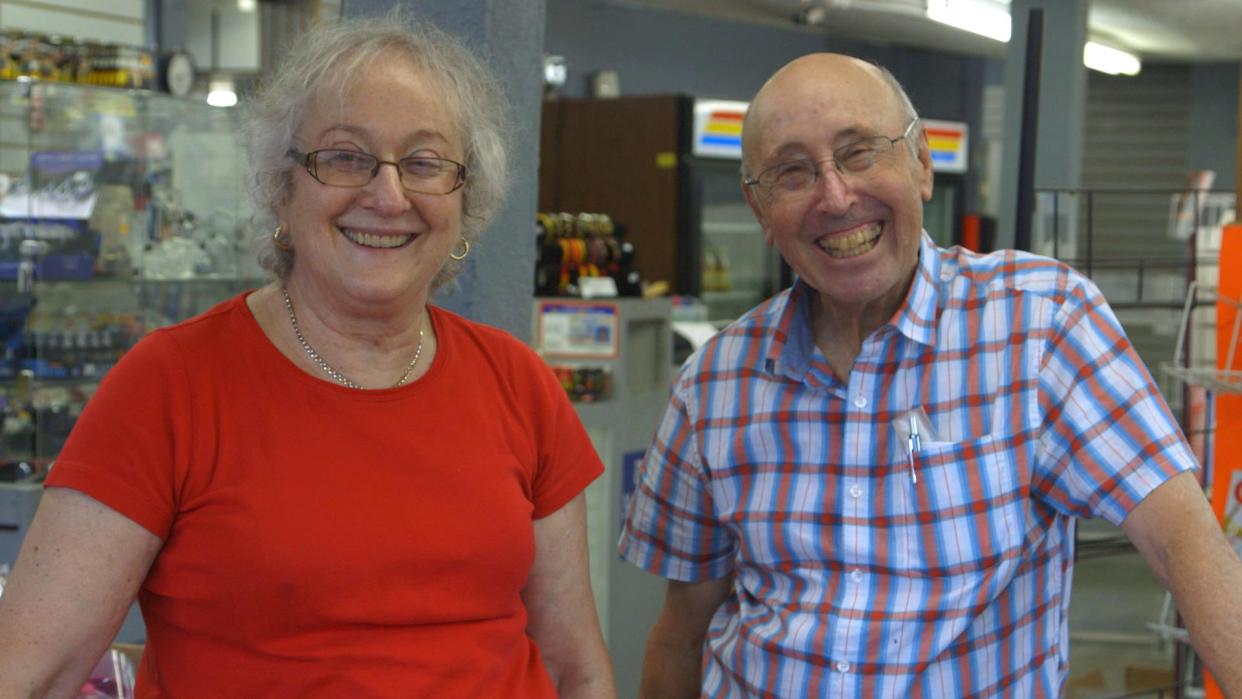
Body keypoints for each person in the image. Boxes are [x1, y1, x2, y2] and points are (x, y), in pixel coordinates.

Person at [0, 13, 615, 698]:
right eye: (346, 157)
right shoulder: (171, 384)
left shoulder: (519, 383)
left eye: (424, 163)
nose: (388, 196)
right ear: (282, 189)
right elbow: (30, 673)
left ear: (465, 204)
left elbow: (574, 667)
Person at [619, 53, 1242, 698]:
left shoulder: (1040, 324)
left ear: (921, 163)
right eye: (792, 172)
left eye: (859, 153)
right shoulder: (715, 385)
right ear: (759, 208)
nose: (835, 197)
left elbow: (1184, 545)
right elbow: (681, 632)